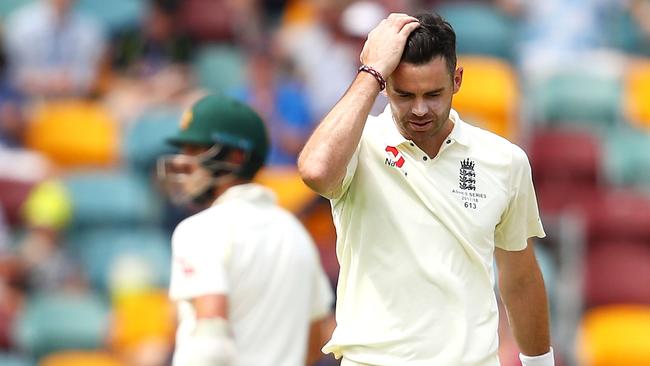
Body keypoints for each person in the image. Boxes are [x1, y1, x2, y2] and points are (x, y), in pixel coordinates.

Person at [298, 12, 553, 366]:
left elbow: (520, 277)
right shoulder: (357, 145)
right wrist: (371, 71)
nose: (419, 109)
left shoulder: (505, 160)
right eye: (404, 95)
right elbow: (315, 171)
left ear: (457, 80)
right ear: (384, 85)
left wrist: (541, 364)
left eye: (433, 94)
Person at [157, 94, 334, 366]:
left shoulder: (199, 230)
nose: (184, 162)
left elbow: (211, 343)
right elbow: (314, 341)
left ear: (236, 156)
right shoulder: (295, 233)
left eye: (195, 150)